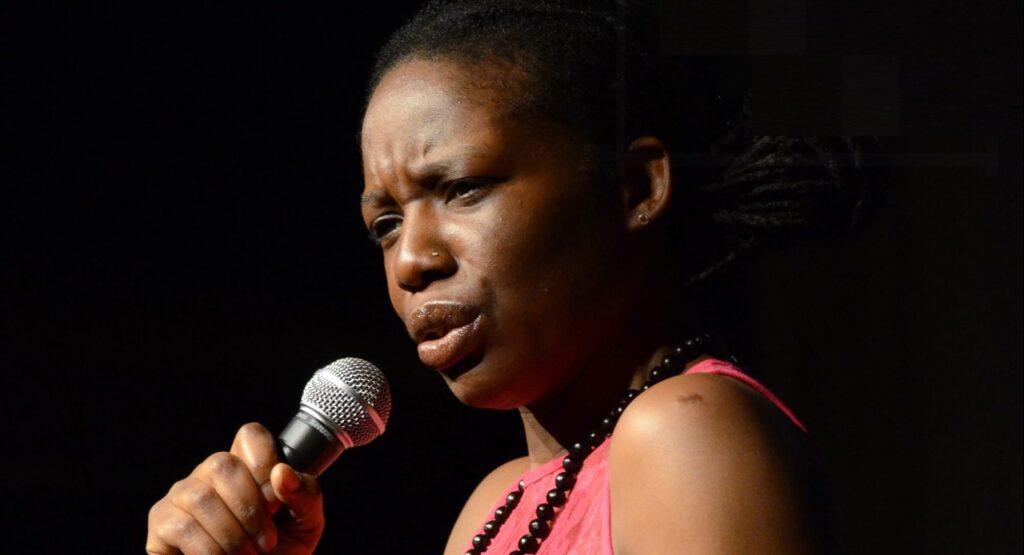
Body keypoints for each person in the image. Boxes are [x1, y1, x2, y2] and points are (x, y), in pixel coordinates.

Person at [146, 1, 876, 553]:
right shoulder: (496, 503)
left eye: (463, 188)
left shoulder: (684, 432)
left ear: (634, 189)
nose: (410, 260)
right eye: (385, 223)